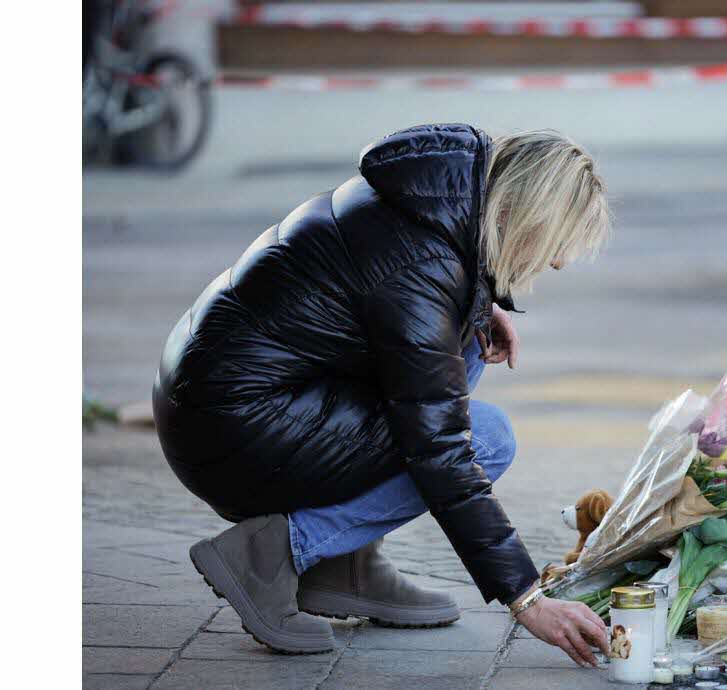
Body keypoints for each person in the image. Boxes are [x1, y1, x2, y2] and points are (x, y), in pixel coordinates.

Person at [152, 124, 612, 665]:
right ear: (522, 215)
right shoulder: (423, 265)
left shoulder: (431, 197)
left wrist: (475, 308)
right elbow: (438, 450)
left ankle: (346, 563)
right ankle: (270, 555)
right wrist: (527, 597)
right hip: (233, 427)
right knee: (487, 439)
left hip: (223, 398)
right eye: (555, 245)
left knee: (463, 346)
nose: (553, 263)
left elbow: (374, 298)